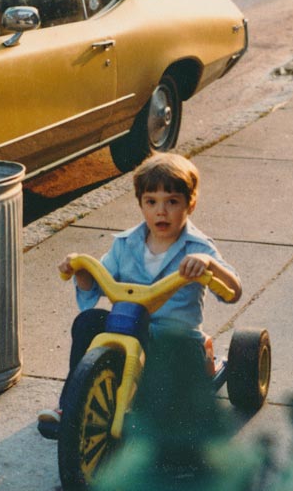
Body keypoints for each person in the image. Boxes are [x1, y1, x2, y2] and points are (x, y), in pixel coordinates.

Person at [37, 152, 242, 438]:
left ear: (190, 204)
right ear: (141, 204)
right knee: (88, 321)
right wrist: (80, 269)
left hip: (172, 340)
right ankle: (70, 406)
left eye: (172, 202)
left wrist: (210, 265)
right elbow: (95, 286)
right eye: (151, 202)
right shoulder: (125, 245)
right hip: (129, 330)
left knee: (176, 426)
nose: (161, 211)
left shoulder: (198, 248)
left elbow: (234, 291)